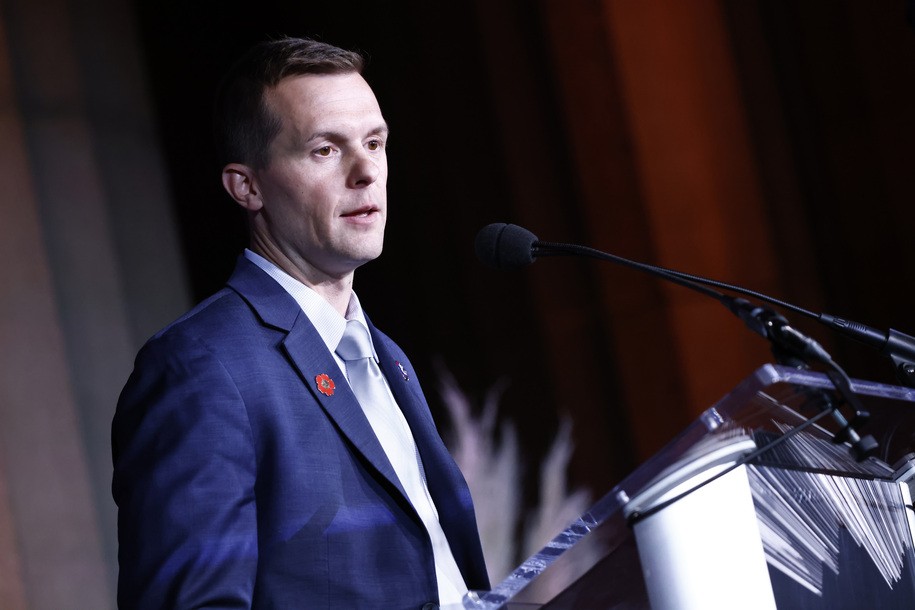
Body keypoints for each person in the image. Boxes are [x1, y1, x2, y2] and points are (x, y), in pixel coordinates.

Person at [111, 37, 489, 609]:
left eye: (374, 142)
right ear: (248, 186)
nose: (366, 172)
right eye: (324, 150)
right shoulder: (202, 369)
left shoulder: (384, 354)